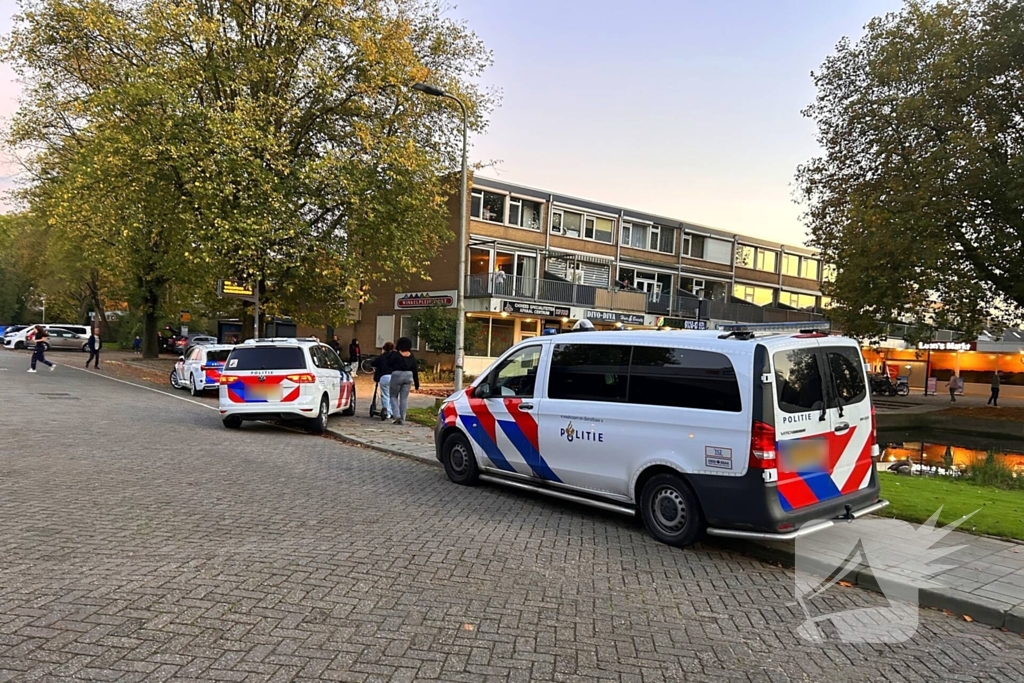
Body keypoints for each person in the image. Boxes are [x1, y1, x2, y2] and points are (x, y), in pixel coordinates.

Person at [385, 336, 419, 425]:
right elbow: (415, 369)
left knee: (393, 396)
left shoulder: (396, 354)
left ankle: (397, 416)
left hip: (397, 375)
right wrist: (417, 384)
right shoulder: (411, 356)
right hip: (409, 376)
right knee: (404, 398)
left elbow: (388, 363)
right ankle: (403, 418)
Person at [371, 341, 395, 421]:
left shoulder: (382, 357)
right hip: (395, 377)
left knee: (385, 395)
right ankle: (393, 412)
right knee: (393, 395)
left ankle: (387, 412)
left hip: (384, 377)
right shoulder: (396, 356)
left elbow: (373, 363)